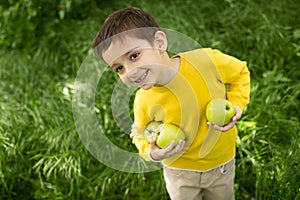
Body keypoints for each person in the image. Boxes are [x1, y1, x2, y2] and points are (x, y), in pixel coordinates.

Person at [92, 7, 250, 200]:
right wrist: (152, 153)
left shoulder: (206, 62)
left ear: (159, 42)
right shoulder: (143, 100)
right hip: (179, 171)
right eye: (119, 68)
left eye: (134, 56)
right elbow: (139, 133)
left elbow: (240, 73)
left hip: (221, 161)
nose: (130, 71)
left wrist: (235, 104)